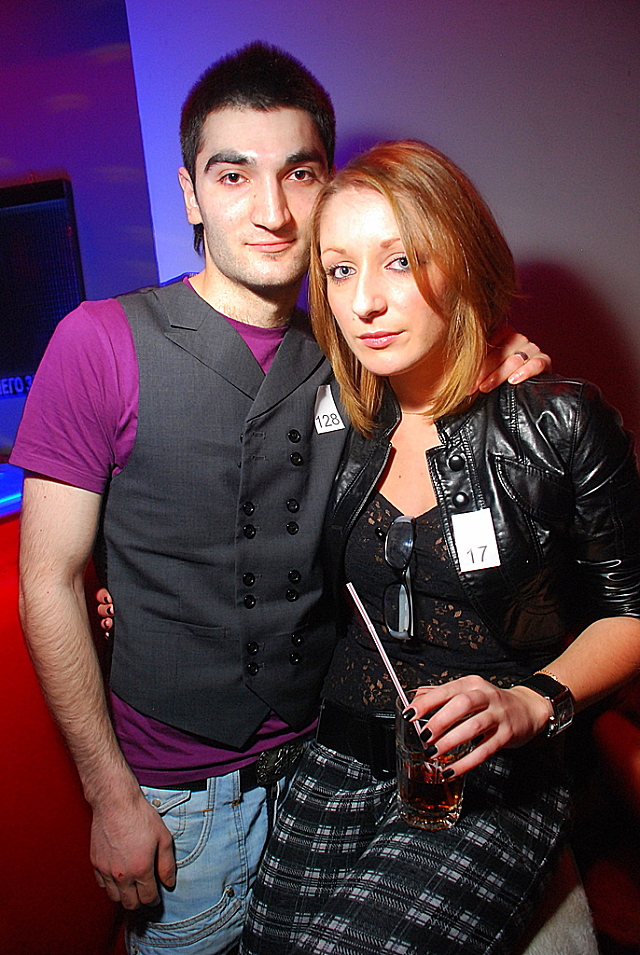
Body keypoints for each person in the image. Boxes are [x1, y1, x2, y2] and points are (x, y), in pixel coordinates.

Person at [11, 41, 548, 955]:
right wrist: (110, 794)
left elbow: (432, 415)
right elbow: (48, 582)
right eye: (233, 175)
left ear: (327, 186)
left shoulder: (352, 354)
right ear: (190, 194)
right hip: (183, 797)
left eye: (299, 174)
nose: (271, 210)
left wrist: (494, 355)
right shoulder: (99, 341)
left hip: (330, 768)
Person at [240, 140, 640, 955]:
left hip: (492, 773)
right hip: (335, 757)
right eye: (340, 270)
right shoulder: (331, 415)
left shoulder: (556, 421)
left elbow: (630, 613)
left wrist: (533, 700)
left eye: (401, 260)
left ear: (462, 261)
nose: (365, 302)